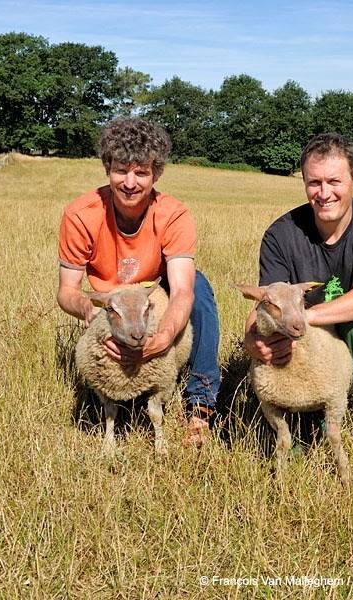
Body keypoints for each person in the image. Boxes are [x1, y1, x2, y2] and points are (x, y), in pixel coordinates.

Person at [242, 133, 353, 473]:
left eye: (334, 181)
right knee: (275, 339)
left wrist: (302, 318)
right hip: (306, 340)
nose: (324, 194)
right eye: (314, 182)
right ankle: (295, 431)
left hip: (352, 330)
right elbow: (266, 301)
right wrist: (253, 340)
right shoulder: (281, 235)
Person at [56, 117, 220, 446]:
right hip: (110, 305)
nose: (130, 182)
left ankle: (200, 405)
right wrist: (90, 311)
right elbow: (67, 292)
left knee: (200, 288)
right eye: (121, 170)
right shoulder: (81, 215)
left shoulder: (173, 214)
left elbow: (183, 290)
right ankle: (110, 405)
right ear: (107, 167)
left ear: (155, 173)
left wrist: (164, 336)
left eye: (141, 172)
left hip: (153, 298)